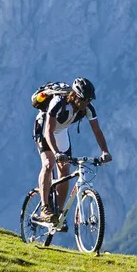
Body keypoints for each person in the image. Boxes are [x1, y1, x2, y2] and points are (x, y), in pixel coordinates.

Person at [34, 77, 111, 225]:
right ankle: (45, 208)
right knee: (49, 164)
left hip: (61, 132)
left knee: (65, 171)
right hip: (45, 130)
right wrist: (56, 153)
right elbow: (48, 131)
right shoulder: (59, 102)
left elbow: (97, 130)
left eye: (89, 100)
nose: (87, 103)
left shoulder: (88, 108)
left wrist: (105, 151)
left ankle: (58, 215)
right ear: (75, 96)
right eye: (84, 100)